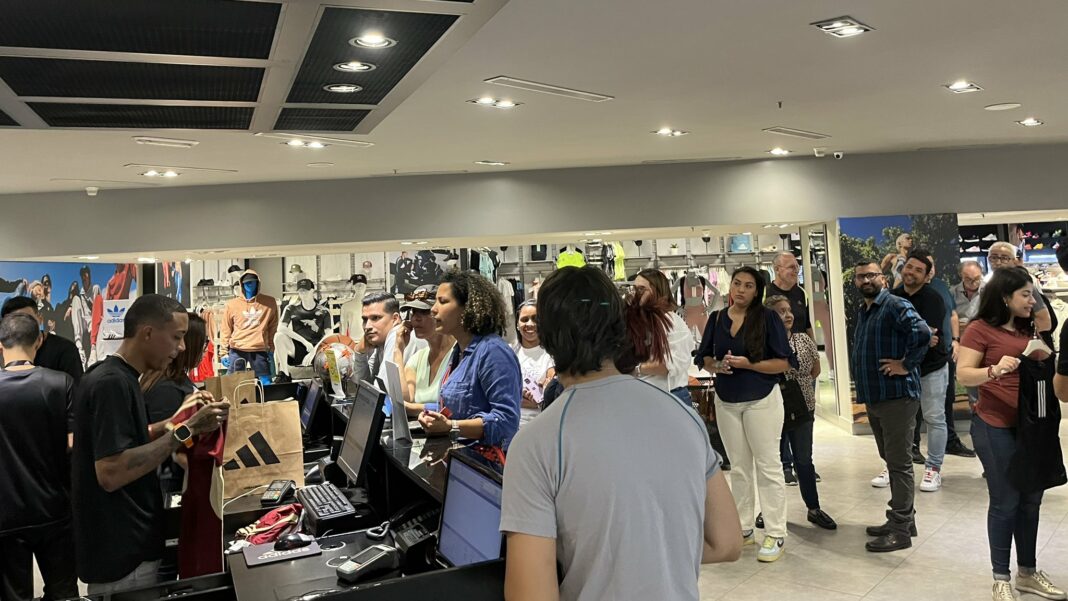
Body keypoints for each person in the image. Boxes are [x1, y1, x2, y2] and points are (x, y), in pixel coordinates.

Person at [500, 266, 740, 601]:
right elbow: (726, 541)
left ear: (547, 336)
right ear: (620, 328)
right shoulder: (684, 417)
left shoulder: (535, 443)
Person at [72, 294, 230, 594]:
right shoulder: (111, 384)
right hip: (124, 554)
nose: (181, 348)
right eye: (177, 337)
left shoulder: (117, 377)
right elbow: (111, 471)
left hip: (129, 545)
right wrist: (188, 429)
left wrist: (179, 417)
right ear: (147, 333)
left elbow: (132, 437)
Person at [957, 267, 1066, 601]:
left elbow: (1047, 321)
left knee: (1032, 499)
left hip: (1033, 427)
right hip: (994, 426)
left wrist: (1032, 298)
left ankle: (1028, 573)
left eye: (1032, 295)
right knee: (1006, 501)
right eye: (1024, 294)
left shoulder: (1031, 326)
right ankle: (1000, 576)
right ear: (1005, 297)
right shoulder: (979, 330)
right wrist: (994, 370)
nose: (1031, 300)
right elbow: (964, 375)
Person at [694, 266, 793, 562]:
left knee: (768, 465)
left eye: (748, 286)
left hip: (761, 398)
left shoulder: (768, 319)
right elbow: (704, 357)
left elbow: (783, 363)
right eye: (737, 283)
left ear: (757, 290)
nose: (740, 290)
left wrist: (749, 364)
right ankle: (744, 527)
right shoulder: (717, 318)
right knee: (738, 467)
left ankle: (775, 532)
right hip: (727, 399)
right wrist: (715, 366)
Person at [850, 261, 930, 553]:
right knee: (891, 459)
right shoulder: (866, 310)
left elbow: (922, 333)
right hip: (876, 397)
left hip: (897, 397)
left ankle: (900, 530)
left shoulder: (894, 305)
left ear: (882, 278)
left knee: (899, 463)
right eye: (861, 277)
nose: (866, 280)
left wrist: (906, 364)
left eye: (871, 275)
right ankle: (905, 519)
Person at [0, 313, 79, 601]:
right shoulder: (61, 383)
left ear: (0, 345)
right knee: (64, 592)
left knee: (13, 595)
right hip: (55, 508)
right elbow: (74, 445)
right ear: (40, 341)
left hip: (6, 514)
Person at [418, 271, 521, 449]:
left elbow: (506, 421)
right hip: (463, 460)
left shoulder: (493, 352)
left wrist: (452, 426)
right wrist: (430, 415)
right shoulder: (458, 351)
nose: (433, 309)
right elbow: (456, 405)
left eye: (442, 302)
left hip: (487, 468)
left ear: (468, 308)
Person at [764, 295, 836, 530]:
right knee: (771, 462)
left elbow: (815, 370)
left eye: (788, 310)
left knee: (804, 459)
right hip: (770, 408)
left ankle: (813, 508)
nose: (788, 315)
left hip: (803, 406)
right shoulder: (762, 342)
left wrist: (797, 382)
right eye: (781, 311)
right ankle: (769, 512)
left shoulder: (804, 339)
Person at [886, 251, 949, 493]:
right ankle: (896, 466)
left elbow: (929, 335)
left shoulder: (933, 299)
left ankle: (933, 468)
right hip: (903, 368)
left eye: (918, 270)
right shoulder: (892, 296)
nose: (911, 272)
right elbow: (913, 334)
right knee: (901, 421)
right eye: (909, 267)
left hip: (931, 367)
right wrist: (917, 336)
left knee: (934, 417)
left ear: (926, 276)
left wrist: (918, 336)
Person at [766, 251, 814, 485]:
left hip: (801, 359)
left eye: (796, 267)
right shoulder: (765, 293)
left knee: (804, 414)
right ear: (777, 269)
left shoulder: (801, 293)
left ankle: (803, 464)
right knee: (781, 417)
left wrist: (813, 354)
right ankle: (785, 465)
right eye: (791, 267)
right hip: (777, 362)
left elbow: (805, 325)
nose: (795, 271)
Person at [921, 252, 975, 458]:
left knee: (947, 397)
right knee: (917, 404)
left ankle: (950, 441)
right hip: (920, 355)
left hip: (945, 352)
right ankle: (914, 448)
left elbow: (952, 314)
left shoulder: (942, 286)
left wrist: (955, 340)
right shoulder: (907, 291)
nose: (930, 268)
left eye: (931, 264)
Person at [632, 269, 695, 402]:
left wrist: (636, 369)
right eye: (635, 288)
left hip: (670, 396)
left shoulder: (673, 323)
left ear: (657, 290)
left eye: (641, 289)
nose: (636, 293)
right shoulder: (639, 321)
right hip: (644, 395)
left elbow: (667, 365)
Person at [394, 285, 455, 415]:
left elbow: (455, 407)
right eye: (414, 312)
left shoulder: (458, 355)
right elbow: (404, 399)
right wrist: (398, 350)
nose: (416, 318)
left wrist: (413, 408)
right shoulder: (417, 359)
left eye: (425, 312)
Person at [1, 295, 83, 384]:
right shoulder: (3, 350)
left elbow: (78, 392)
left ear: (40, 318)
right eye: (15, 321)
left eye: (27, 319)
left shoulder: (66, 350)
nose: (22, 325)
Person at [356, 291, 427, 383]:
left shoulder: (398, 335)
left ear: (395, 319)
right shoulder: (381, 340)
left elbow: (381, 389)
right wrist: (359, 352)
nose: (367, 326)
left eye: (375, 318)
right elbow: (366, 384)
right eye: (365, 320)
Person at [220, 269, 279, 380]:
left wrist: (272, 348)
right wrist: (223, 352)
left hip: (259, 348)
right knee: (233, 382)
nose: (249, 284)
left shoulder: (269, 303)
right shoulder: (232, 305)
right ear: (242, 284)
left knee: (266, 382)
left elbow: (273, 327)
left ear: (258, 283)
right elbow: (225, 329)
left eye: (252, 281)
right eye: (246, 282)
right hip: (238, 347)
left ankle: (264, 397)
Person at [988, 242, 1052, 335]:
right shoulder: (988, 283)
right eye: (994, 258)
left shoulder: (1023, 283)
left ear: (1014, 261)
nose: (998, 262)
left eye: (1004, 258)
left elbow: (1043, 318)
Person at [510, 300, 555, 426]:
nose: (530, 324)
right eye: (524, 319)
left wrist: (540, 400)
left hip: (541, 427)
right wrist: (518, 398)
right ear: (517, 325)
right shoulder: (509, 354)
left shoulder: (552, 356)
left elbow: (552, 395)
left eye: (535, 319)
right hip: (512, 427)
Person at [953, 260, 986, 414]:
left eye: (977, 278)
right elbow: (950, 318)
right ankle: (977, 417)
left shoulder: (989, 290)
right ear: (961, 276)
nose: (973, 283)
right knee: (971, 383)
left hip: (985, 340)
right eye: (968, 279)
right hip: (964, 343)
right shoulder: (952, 292)